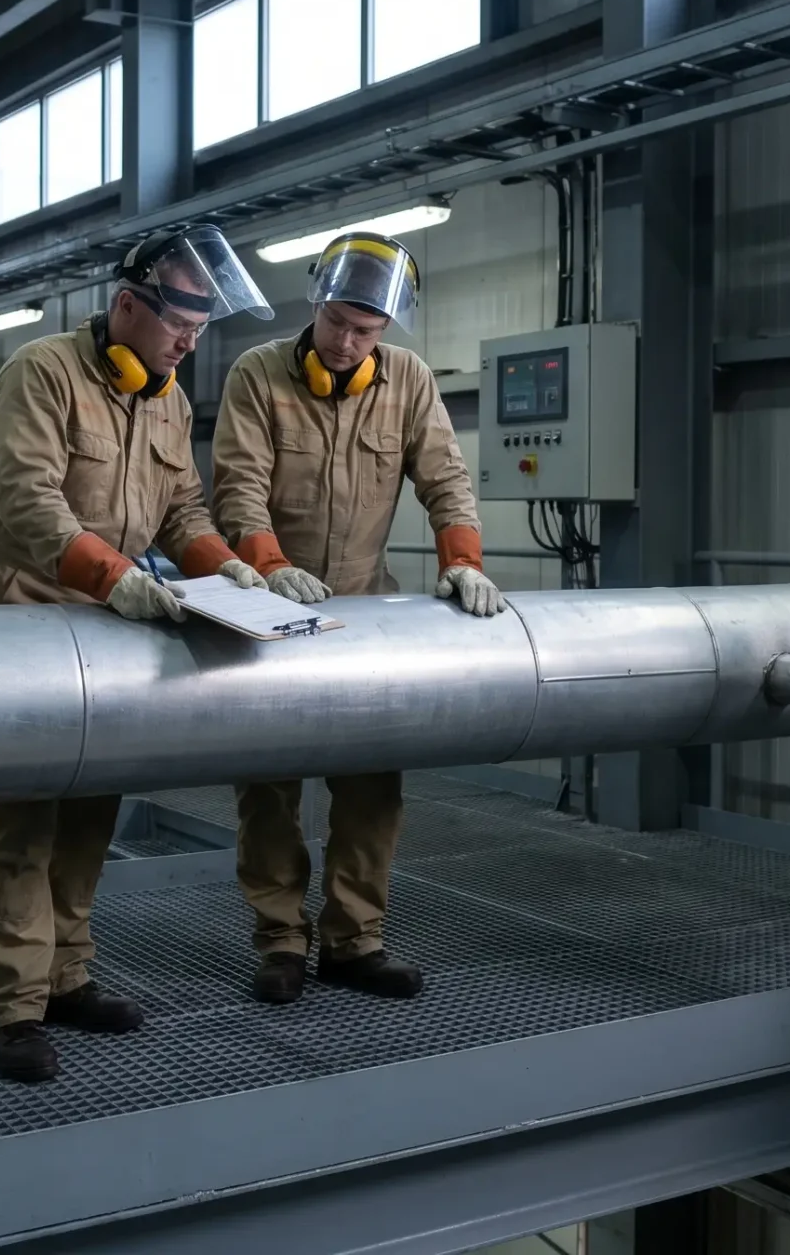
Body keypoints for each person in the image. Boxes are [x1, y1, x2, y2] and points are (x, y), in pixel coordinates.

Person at [0, 222, 274, 1082]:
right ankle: (14, 1008)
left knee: (91, 817)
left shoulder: (168, 397)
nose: (189, 341)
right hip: (25, 629)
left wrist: (239, 571)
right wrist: (116, 577)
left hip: (107, 635)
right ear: (128, 305)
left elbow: (183, 511)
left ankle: (67, 978)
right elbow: (28, 503)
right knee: (23, 828)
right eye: (180, 322)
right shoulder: (43, 373)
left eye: (203, 328)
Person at [210, 231, 504, 1005]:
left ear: (387, 333)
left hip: (366, 613)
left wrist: (463, 560)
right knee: (268, 790)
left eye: (365, 331)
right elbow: (237, 487)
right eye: (338, 322)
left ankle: (354, 940)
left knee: (372, 788)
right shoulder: (258, 375)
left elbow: (446, 477)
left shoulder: (407, 380)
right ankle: (278, 940)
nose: (345, 342)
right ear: (316, 304)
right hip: (267, 616)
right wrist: (271, 567)